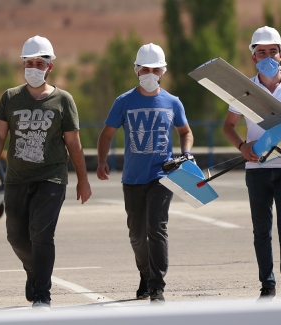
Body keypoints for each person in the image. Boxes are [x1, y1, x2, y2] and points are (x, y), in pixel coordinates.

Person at [0, 35, 92, 309]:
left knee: (41, 234)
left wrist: (83, 179)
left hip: (51, 178)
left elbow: (74, 144)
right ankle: (34, 271)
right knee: (16, 236)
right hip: (17, 178)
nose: (33, 67)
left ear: (49, 67)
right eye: (28, 62)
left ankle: (42, 293)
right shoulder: (10, 97)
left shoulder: (63, 100)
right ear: (22, 64)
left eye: (39, 63)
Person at [222, 26, 281, 302]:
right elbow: (228, 126)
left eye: (272, 51)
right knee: (261, 230)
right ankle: (267, 285)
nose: (267, 56)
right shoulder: (244, 92)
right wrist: (242, 146)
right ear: (253, 57)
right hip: (257, 170)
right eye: (261, 52)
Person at [96, 43, 193, 305]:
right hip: (132, 178)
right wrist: (102, 161)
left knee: (157, 228)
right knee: (136, 235)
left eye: (155, 69)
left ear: (163, 71)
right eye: (145, 69)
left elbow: (185, 132)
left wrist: (185, 153)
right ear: (136, 70)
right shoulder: (124, 101)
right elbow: (106, 134)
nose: (149, 73)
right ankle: (145, 274)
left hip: (162, 175)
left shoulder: (172, 102)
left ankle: (157, 286)